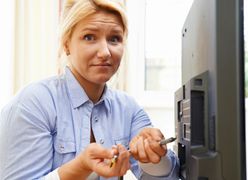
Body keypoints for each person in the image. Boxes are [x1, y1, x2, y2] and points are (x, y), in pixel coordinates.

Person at [0, 0, 179, 179]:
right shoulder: (33, 104)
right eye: (89, 37)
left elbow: (167, 177)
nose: (105, 52)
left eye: (114, 39)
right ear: (66, 44)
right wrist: (81, 167)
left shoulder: (129, 109)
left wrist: (153, 156)